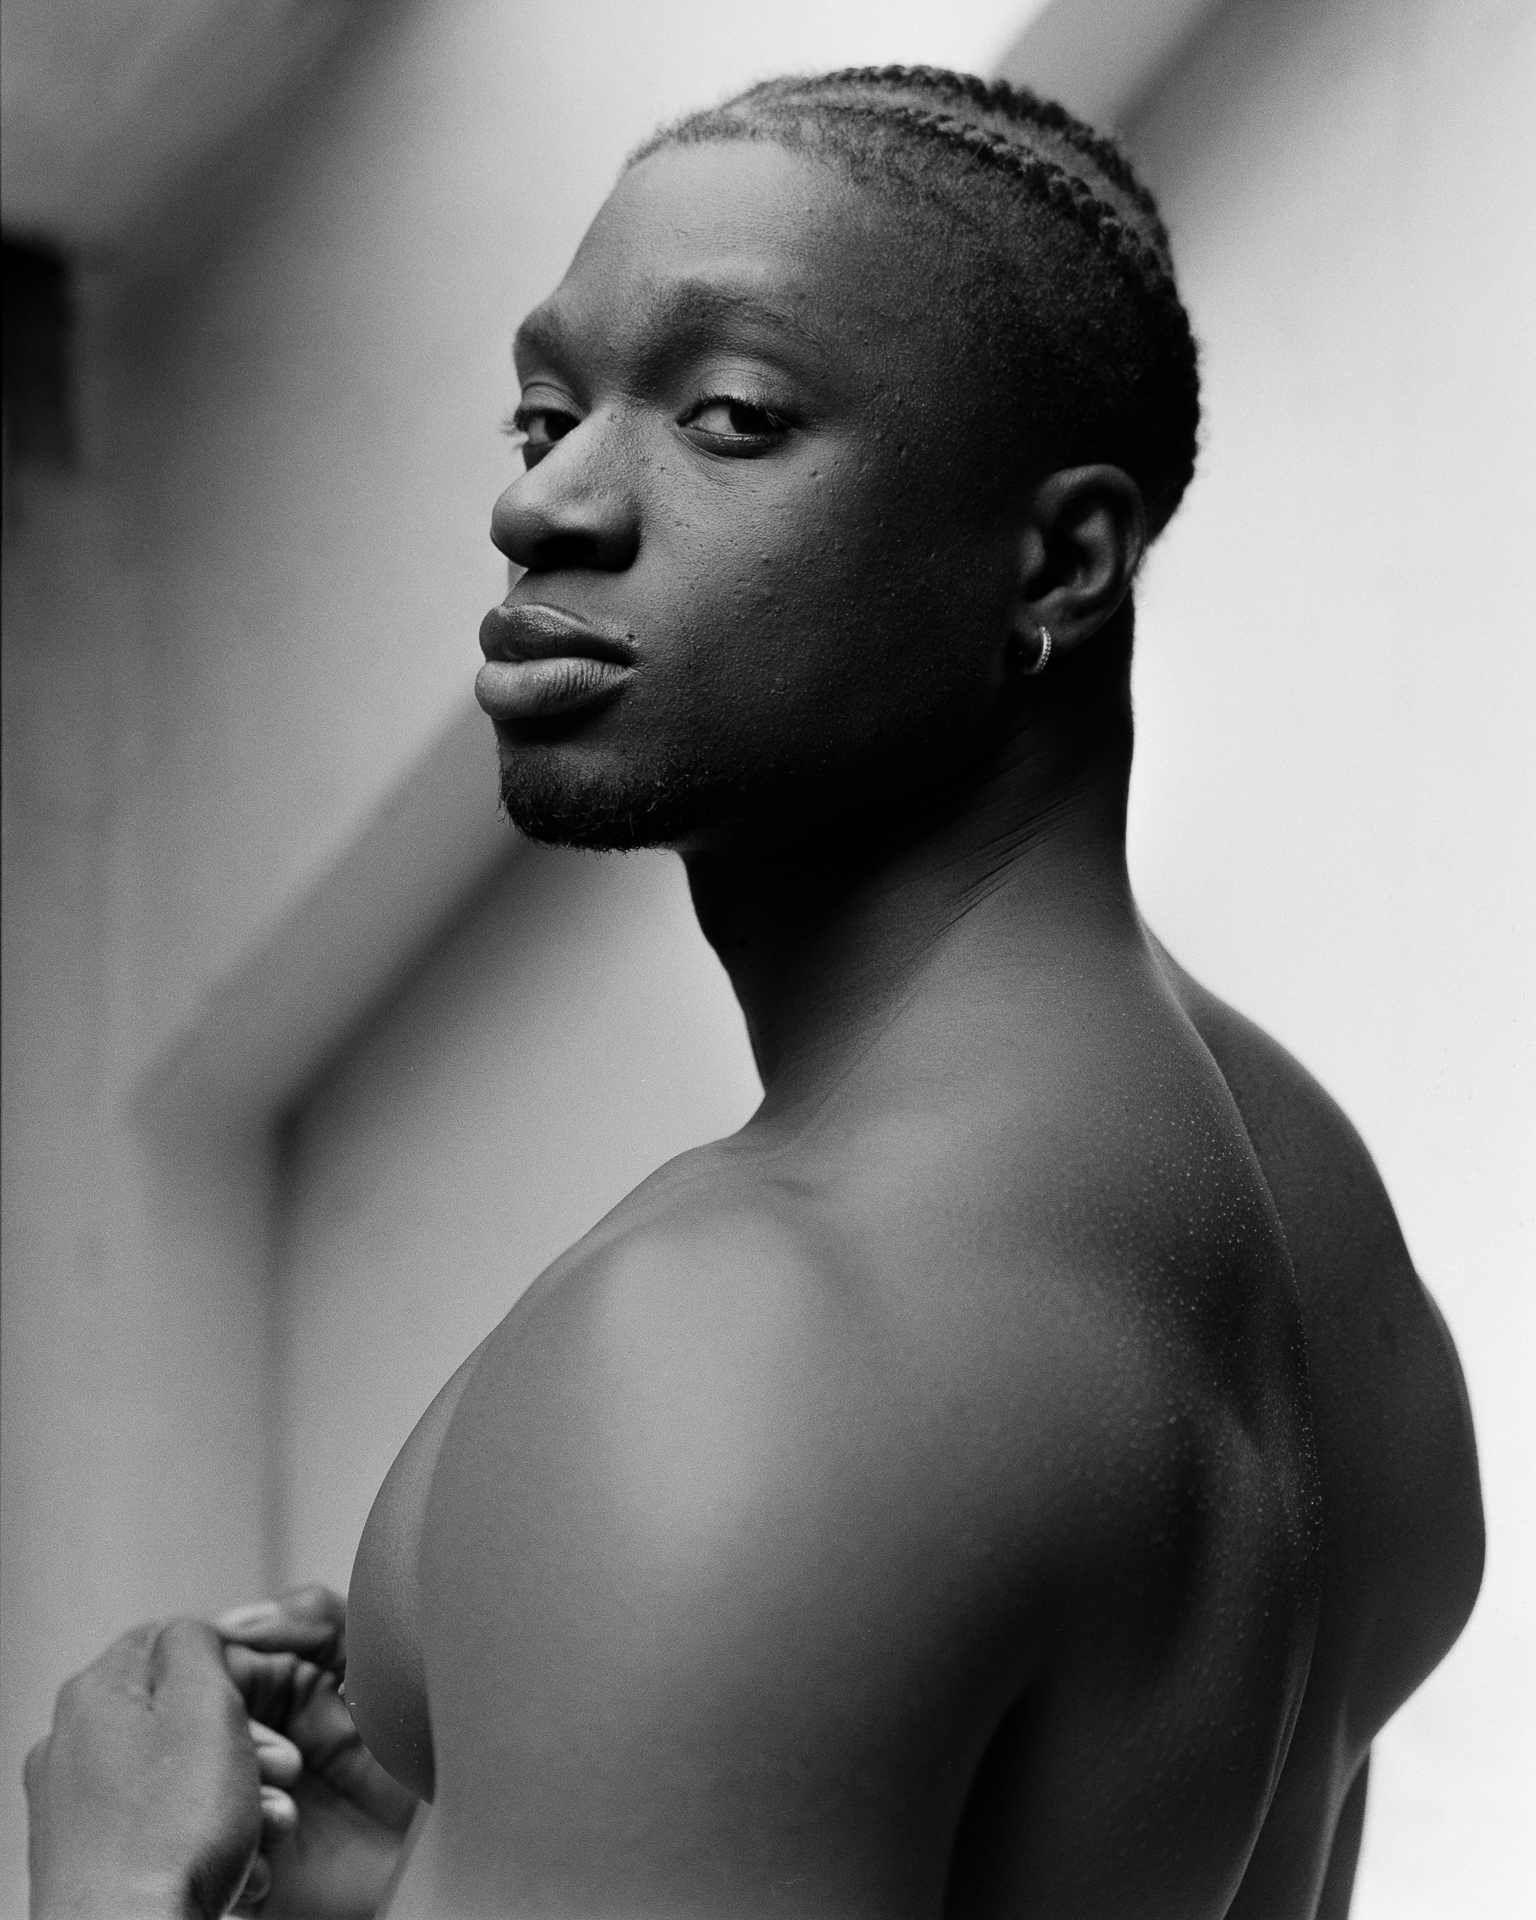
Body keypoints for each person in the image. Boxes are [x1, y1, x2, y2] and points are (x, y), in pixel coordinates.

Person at [26, 66, 1484, 1919]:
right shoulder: (1305, 1213)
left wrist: (112, 1891)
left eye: (730, 419)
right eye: (545, 411)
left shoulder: (733, 1337)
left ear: (1061, 557)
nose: (547, 501)